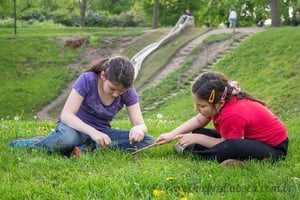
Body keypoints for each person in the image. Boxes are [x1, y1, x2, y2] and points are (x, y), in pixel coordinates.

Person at [8, 56, 155, 157]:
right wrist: (93, 132)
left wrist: (138, 129)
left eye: (121, 91)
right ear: (103, 75)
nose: (116, 94)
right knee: (67, 139)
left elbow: (141, 124)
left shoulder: (128, 91)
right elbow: (66, 115)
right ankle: (34, 144)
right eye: (112, 88)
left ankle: (83, 148)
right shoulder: (87, 80)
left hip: (101, 133)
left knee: (147, 141)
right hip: (73, 128)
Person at [156, 72, 288, 166]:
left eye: (201, 106)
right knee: (199, 131)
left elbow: (230, 143)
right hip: (250, 140)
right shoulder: (222, 102)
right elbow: (198, 120)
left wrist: (198, 139)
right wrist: (171, 134)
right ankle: (192, 147)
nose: (196, 109)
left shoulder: (231, 115)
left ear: (219, 103)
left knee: (227, 146)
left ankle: (195, 152)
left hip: (273, 150)